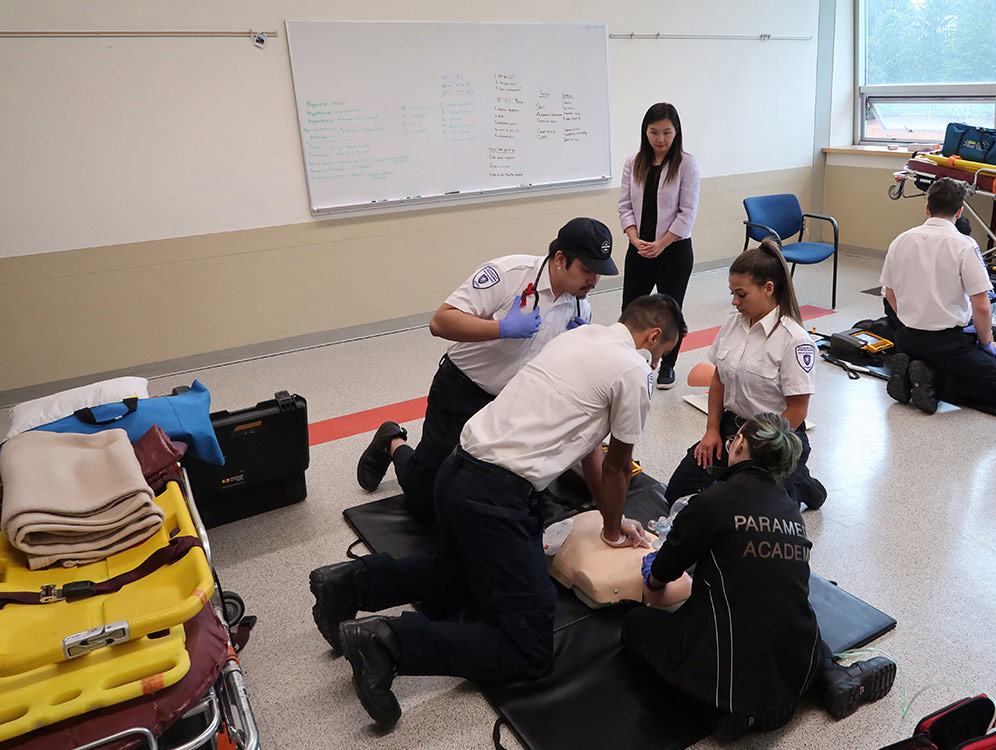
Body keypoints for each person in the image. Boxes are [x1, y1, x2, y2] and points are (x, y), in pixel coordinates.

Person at [310, 294, 687, 728]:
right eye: (660, 353)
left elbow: (590, 455)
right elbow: (619, 465)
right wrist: (611, 532)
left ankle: (348, 585)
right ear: (653, 337)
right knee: (529, 648)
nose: (657, 363)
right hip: (495, 497)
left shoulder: (581, 337)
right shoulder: (633, 370)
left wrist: (613, 516)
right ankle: (388, 643)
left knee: (463, 573)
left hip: (457, 473)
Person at [625, 413, 897, 734]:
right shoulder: (790, 509)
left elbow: (665, 571)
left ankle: (733, 709)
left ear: (738, 442)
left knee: (636, 625)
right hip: (802, 660)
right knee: (777, 601)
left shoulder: (713, 500)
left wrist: (652, 579)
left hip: (730, 674)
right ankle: (829, 676)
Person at [354, 217, 617, 518]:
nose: (594, 281)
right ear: (560, 259)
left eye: (599, 272)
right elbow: (440, 322)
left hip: (513, 404)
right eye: (587, 270)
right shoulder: (509, 275)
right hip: (463, 389)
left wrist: (575, 345)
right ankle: (392, 441)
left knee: (502, 491)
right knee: (424, 495)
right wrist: (502, 328)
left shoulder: (581, 304)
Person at [664, 238, 826, 510]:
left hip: (775, 438)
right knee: (677, 492)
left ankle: (801, 483)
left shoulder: (795, 340)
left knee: (750, 510)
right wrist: (712, 431)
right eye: (732, 293)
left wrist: (754, 448)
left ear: (768, 288)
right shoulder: (733, 322)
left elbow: (797, 410)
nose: (734, 301)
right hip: (733, 429)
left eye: (741, 294)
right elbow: (718, 379)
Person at [881, 177, 996, 414]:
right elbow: (981, 306)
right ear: (959, 211)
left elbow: (889, 294)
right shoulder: (964, 245)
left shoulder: (900, 240)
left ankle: (915, 372)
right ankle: (934, 379)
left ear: (927, 207)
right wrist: (987, 343)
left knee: (939, 357)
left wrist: (913, 319)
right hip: (947, 342)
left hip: (906, 337)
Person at [618, 102, 701, 389]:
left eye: (667, 132)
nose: (660, 139)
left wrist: (661, 244)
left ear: (676, 132)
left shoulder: (687, 164)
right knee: (630, 306)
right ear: (645, 132)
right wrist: (634, 238)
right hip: (639, 249)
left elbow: (687, 212)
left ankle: (667, 365)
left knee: (671, 309)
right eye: (654, 132)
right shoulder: (634, 162)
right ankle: (627, 358)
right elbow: (625, 205)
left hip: (674, 250)